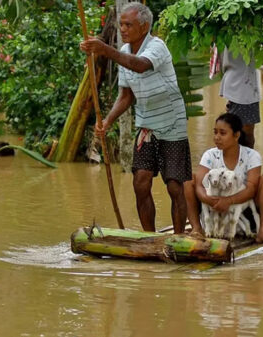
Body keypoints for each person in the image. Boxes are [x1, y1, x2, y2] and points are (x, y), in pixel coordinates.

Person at [80, 3, 191, 234]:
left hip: (172, 123)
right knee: (140, 182)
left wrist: (105, 50)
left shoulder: (157, 46)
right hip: (147, 125)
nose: (123, 29)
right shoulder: (126, 53)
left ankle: (179, 237)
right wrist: (107, 122)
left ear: (144, 27)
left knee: (174, 185)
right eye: (121, 24)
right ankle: (150, 237)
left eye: (128, 24)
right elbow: (126, 96)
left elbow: (140, 66)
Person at [184, 113, 263, 244]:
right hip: (214, 212)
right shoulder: (209, 155)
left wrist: (228, 201)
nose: (217, 137)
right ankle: (197, 228)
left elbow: (251, 188)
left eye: (222, 133)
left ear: (236, 135)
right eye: (215, 132)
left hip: (242, 213)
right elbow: (199, 185)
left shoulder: (252, 156)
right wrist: (210, 200)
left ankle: (262, 231)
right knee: (188, 180)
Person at [219, 48, 261, 149]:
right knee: (244, 135)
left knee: (236, 133)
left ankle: (241, 162)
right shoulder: (249, 34)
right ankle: (244, 163)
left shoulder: (224, 34)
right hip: (243, 86)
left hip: (239, 83)